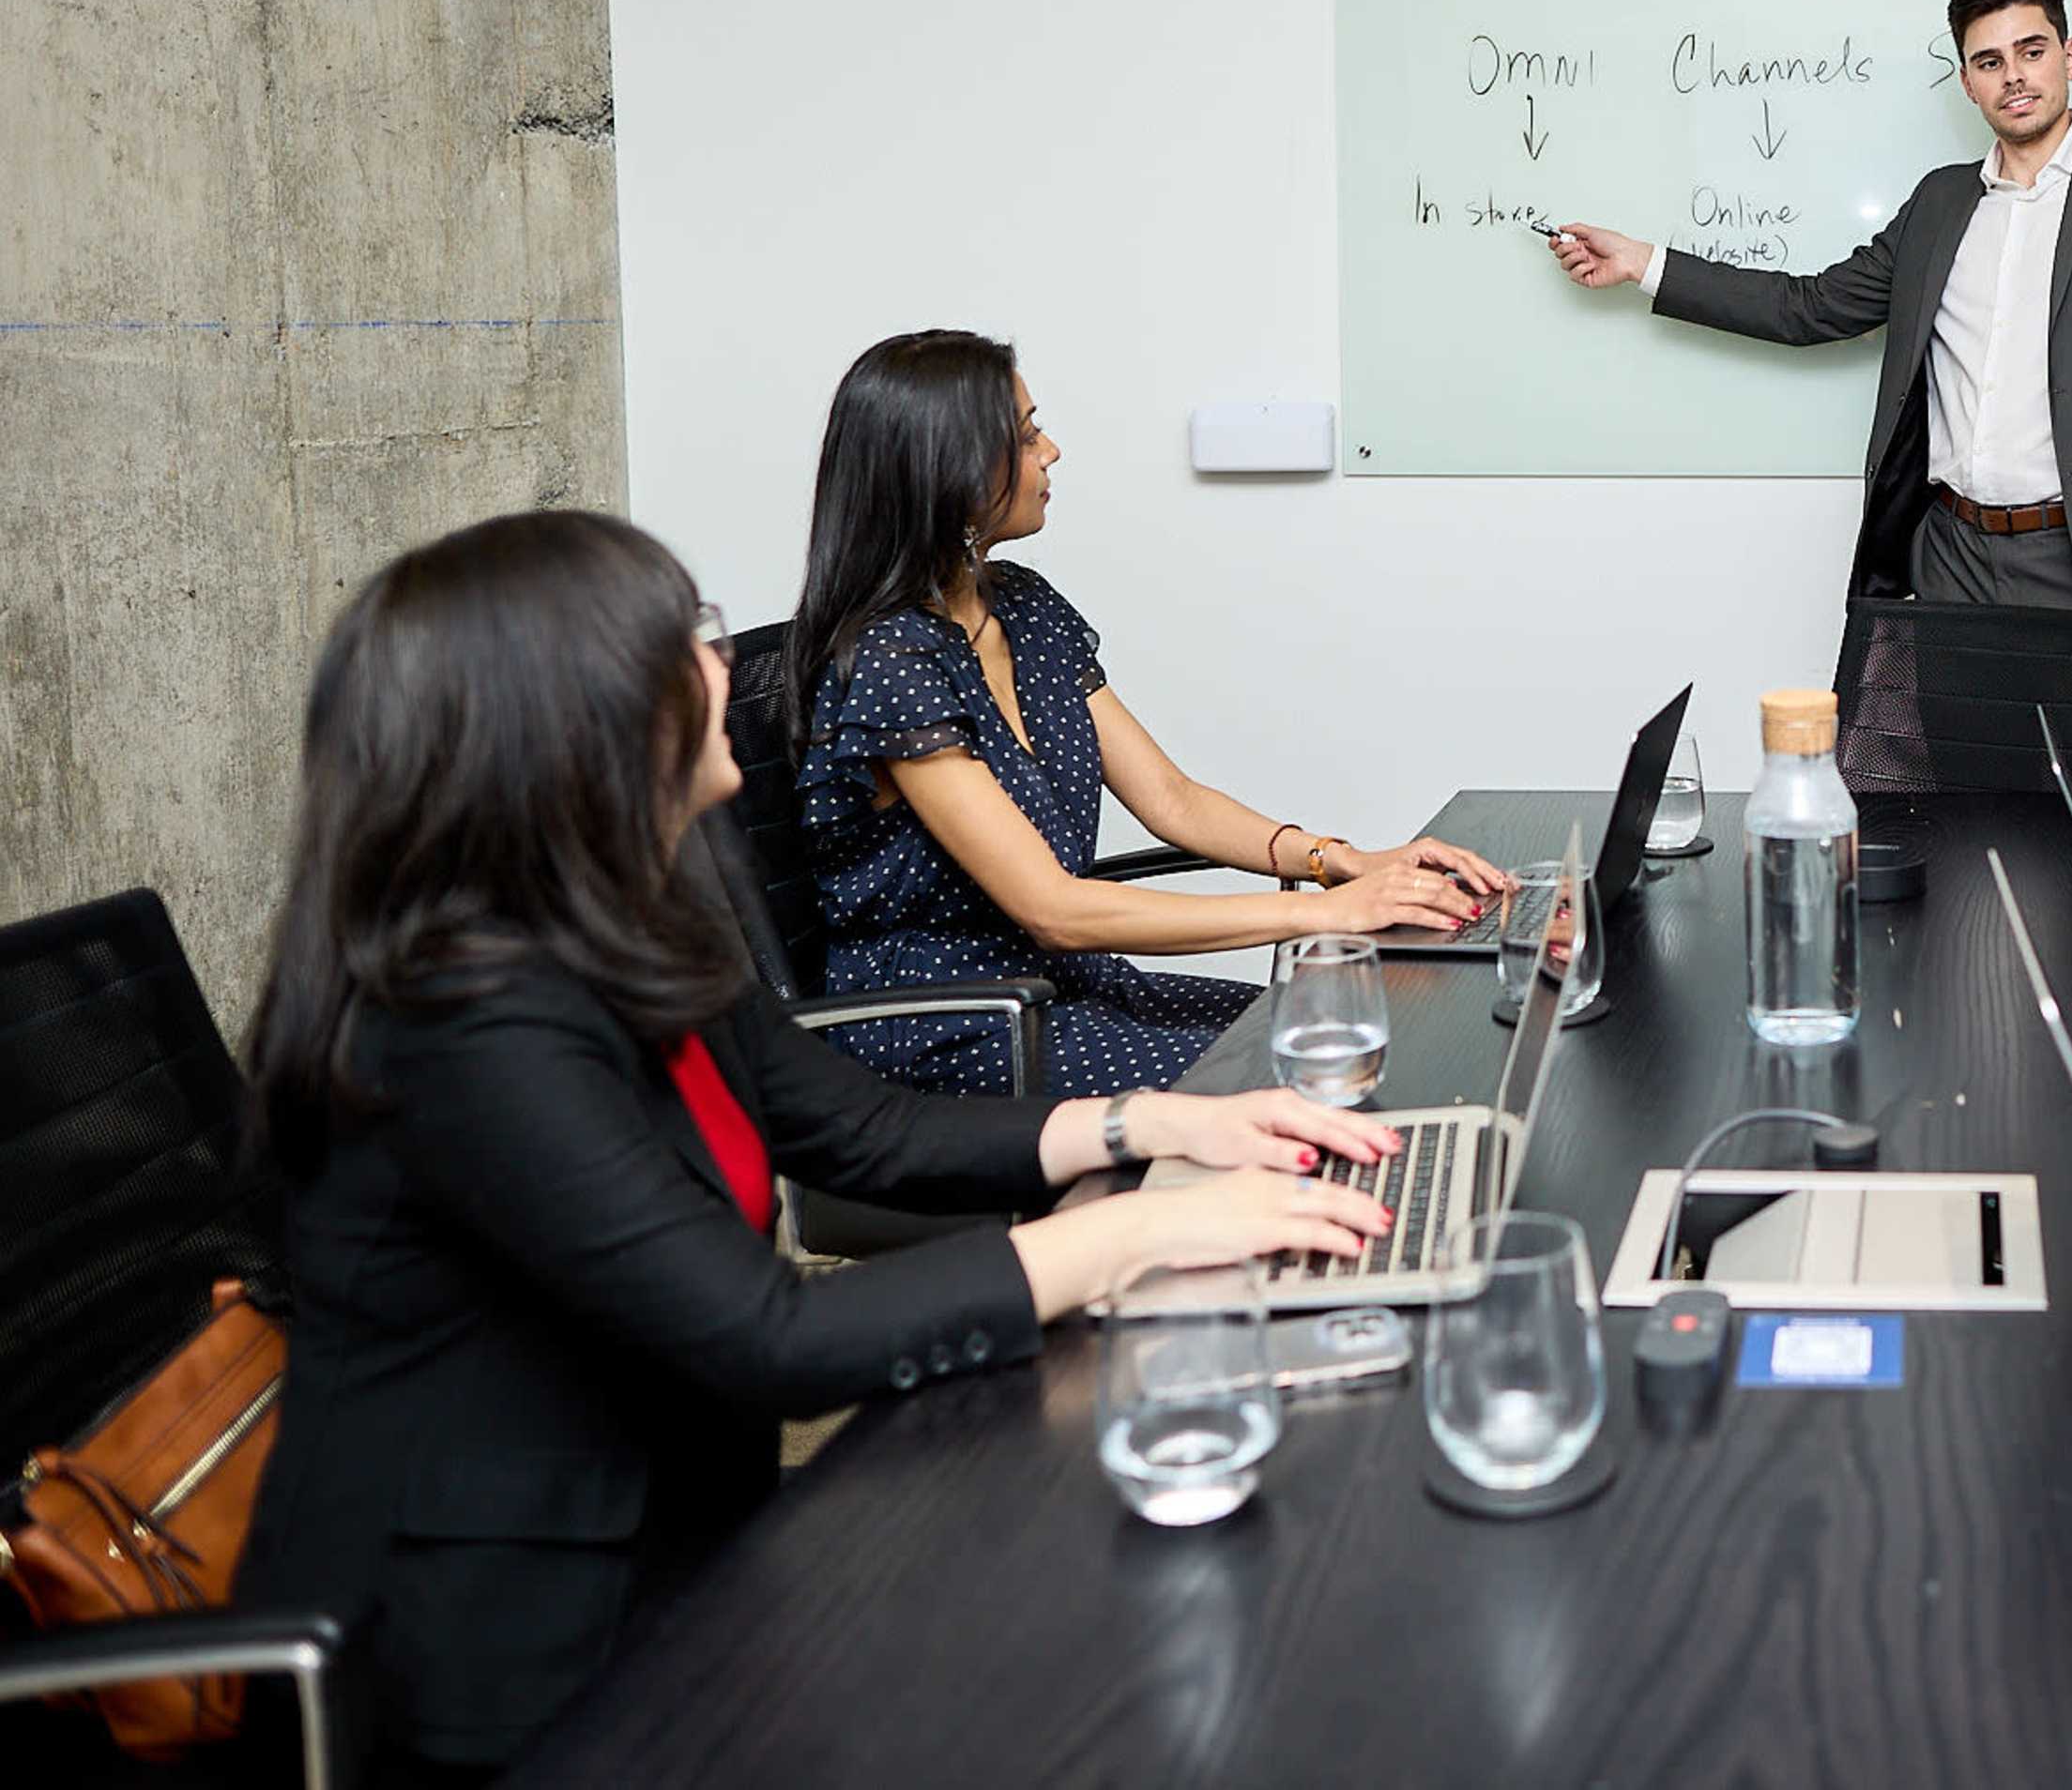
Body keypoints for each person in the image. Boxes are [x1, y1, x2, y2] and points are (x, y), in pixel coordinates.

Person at [236, 510, 1395, 1782]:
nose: (724, 661)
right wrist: (1146, 1226)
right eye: (688, 638)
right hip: (496, 1635)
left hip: (683, 1529)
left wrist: (1156, 1125)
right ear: (570, 714)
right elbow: (770, 1336)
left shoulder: (633, 903)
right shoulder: (465, 1017)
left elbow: (850, 1120)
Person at [1546, 0, 2072, 775]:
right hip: (1953, 559)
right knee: (1952, 803)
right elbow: (1809, 305)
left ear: (2071, 56)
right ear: (1966, 82)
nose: (2015, 77)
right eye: (1988, 61)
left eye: (2032, 51)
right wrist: (1646, 263)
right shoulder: (1939, 203)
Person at [786, 330, 1506, 1096]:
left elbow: (1172, 799)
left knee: (1358, 1038)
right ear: (952, 473)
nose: (1052, 450)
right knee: (1307, 1078)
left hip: (1071, 986)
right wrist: (1323, 917)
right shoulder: (894, 659)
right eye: (1027, 436)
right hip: (956, 1025)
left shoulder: (1024, 606)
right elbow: (1053, 908)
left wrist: (1338, 861)